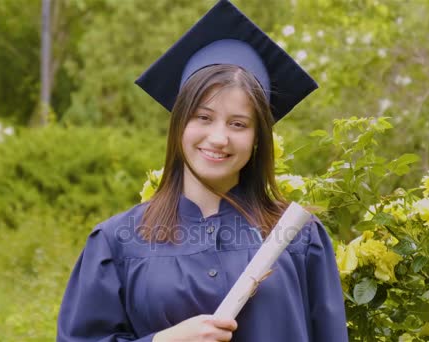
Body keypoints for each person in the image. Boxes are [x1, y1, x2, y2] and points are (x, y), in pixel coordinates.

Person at [57, 1, 348, 341]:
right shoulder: (117, 243)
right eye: (203, 117)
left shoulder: (298, 238)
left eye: (238, 124)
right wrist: (163, 341)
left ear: (257, 138)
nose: (219, 138)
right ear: (179, 122)